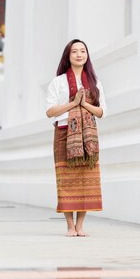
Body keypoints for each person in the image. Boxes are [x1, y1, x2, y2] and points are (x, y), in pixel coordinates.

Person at [45, 39, 107, 237]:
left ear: (87, 55)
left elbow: (102, 112)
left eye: (83, 51)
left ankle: (80, 226)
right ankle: (69, 226)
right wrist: (73, 104)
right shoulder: (58, 81)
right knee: (66, 180)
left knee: (86, 180)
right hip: (64, 134)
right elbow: (50, 111)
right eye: (75, 51)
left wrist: (84, 105)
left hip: (88, 137)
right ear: (68, 56)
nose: (79, 54)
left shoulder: (94, 82)